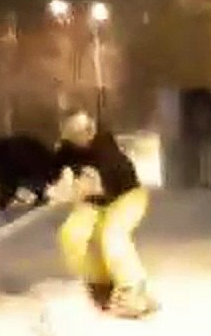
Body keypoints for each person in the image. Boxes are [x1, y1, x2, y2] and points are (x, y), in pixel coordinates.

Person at [52, 111, 158, 318]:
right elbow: (53, 169)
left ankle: (133, 289)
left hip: (126, 197)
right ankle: (101, 283)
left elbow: (109, 179)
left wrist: (88, 187)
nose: (82, 137)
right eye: (74, 135)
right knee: (72, 233)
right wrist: (55, 185)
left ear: (91, 129)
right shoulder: (68, 149)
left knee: (112, 234)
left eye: (85, 131)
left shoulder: (105, 149)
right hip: (95, 203)